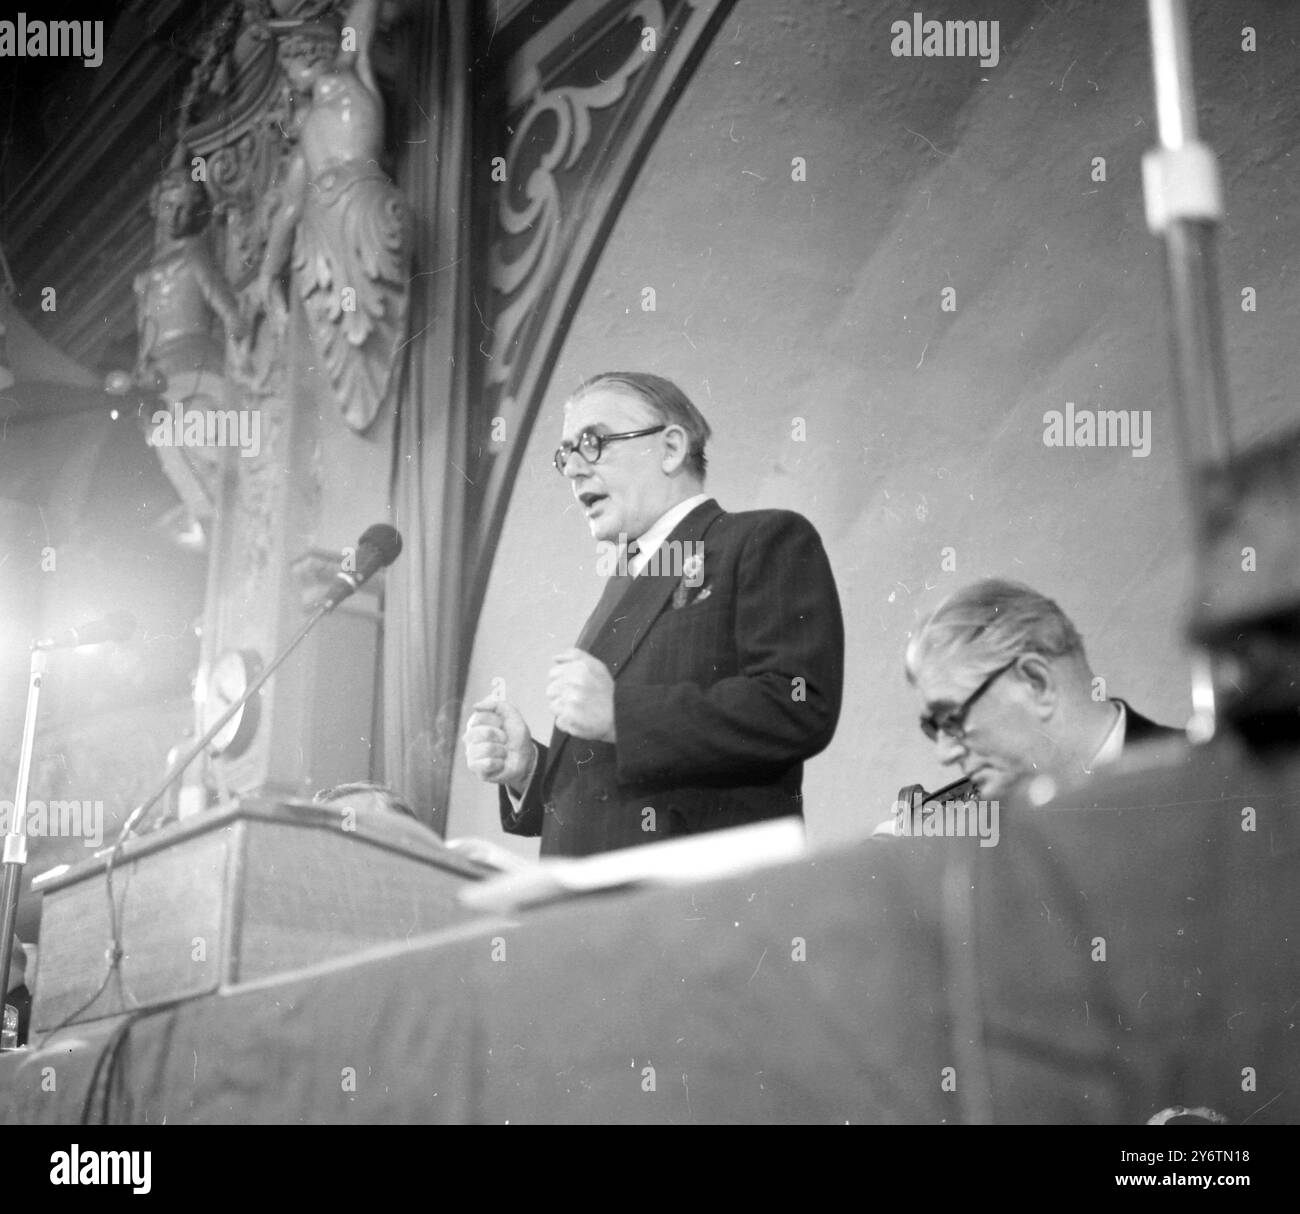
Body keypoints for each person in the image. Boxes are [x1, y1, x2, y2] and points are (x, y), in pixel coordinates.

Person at [462, 371, 845, 857]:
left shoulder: (760, 540)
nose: (575, 469)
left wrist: (622, 713)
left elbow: (798, 704)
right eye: (565, 454)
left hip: (695, 909)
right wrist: (529, 771)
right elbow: (607, 795)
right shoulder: (624, 583)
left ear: (670, 449)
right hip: (594, 916)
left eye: (594, 443)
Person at [903, 578, 1182, 804]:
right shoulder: (977, 836)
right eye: (933, 727)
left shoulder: (1210, 786)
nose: (944, 755)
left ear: (1036, 682)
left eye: (951, 719)